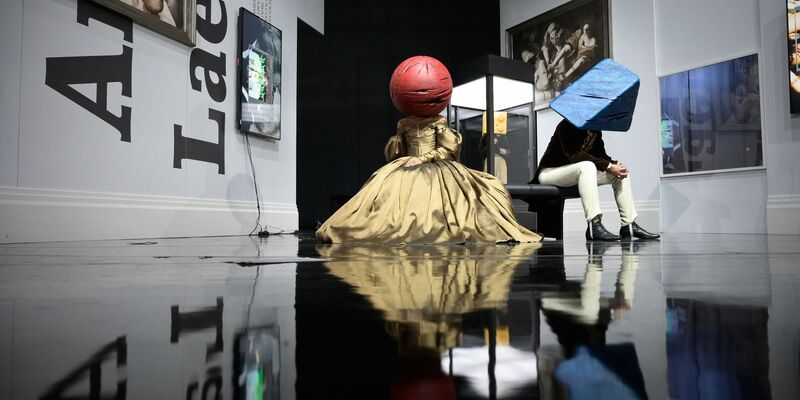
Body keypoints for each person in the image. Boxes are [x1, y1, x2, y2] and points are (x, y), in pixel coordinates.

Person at [316, 56, 541, 244]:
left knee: (479, 193)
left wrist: (423, 159)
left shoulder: (438, 122)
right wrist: (401, 146)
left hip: (436, 165)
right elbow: (395, 153)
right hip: (407, 165)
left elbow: (446, 149)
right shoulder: (404, 123)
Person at [533, 119, 660, 241]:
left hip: (574, 172)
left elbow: (600, 155)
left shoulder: (595, 129)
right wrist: (609, 166)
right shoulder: (566, 124)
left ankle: (629, 225)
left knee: (620, 174)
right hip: (550, 172)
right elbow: (575, 155)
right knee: (588, 166)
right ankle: (594, 224)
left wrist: (614, 164)